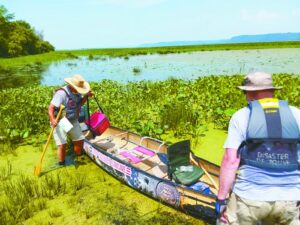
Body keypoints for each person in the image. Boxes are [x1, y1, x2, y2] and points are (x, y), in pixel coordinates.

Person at [216, 72, 300, 225]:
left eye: (245, 92)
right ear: (273, 91)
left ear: (251, 93)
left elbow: (230, 161)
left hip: (249, 198)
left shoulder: (241, 116)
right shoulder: (296, 114)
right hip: (290, 199)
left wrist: (221, 198)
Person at [48, 74, 93, 166]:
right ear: (72, 86)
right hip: (61, 121)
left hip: (72, 119)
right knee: (62, 144)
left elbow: (79, 104)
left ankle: (77, 155)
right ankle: (61, 163)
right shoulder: (61, 94)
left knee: (79, 140)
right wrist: (52, 119)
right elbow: (51, 108)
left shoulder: (77, 92)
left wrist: (86, 96)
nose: (80, 90)